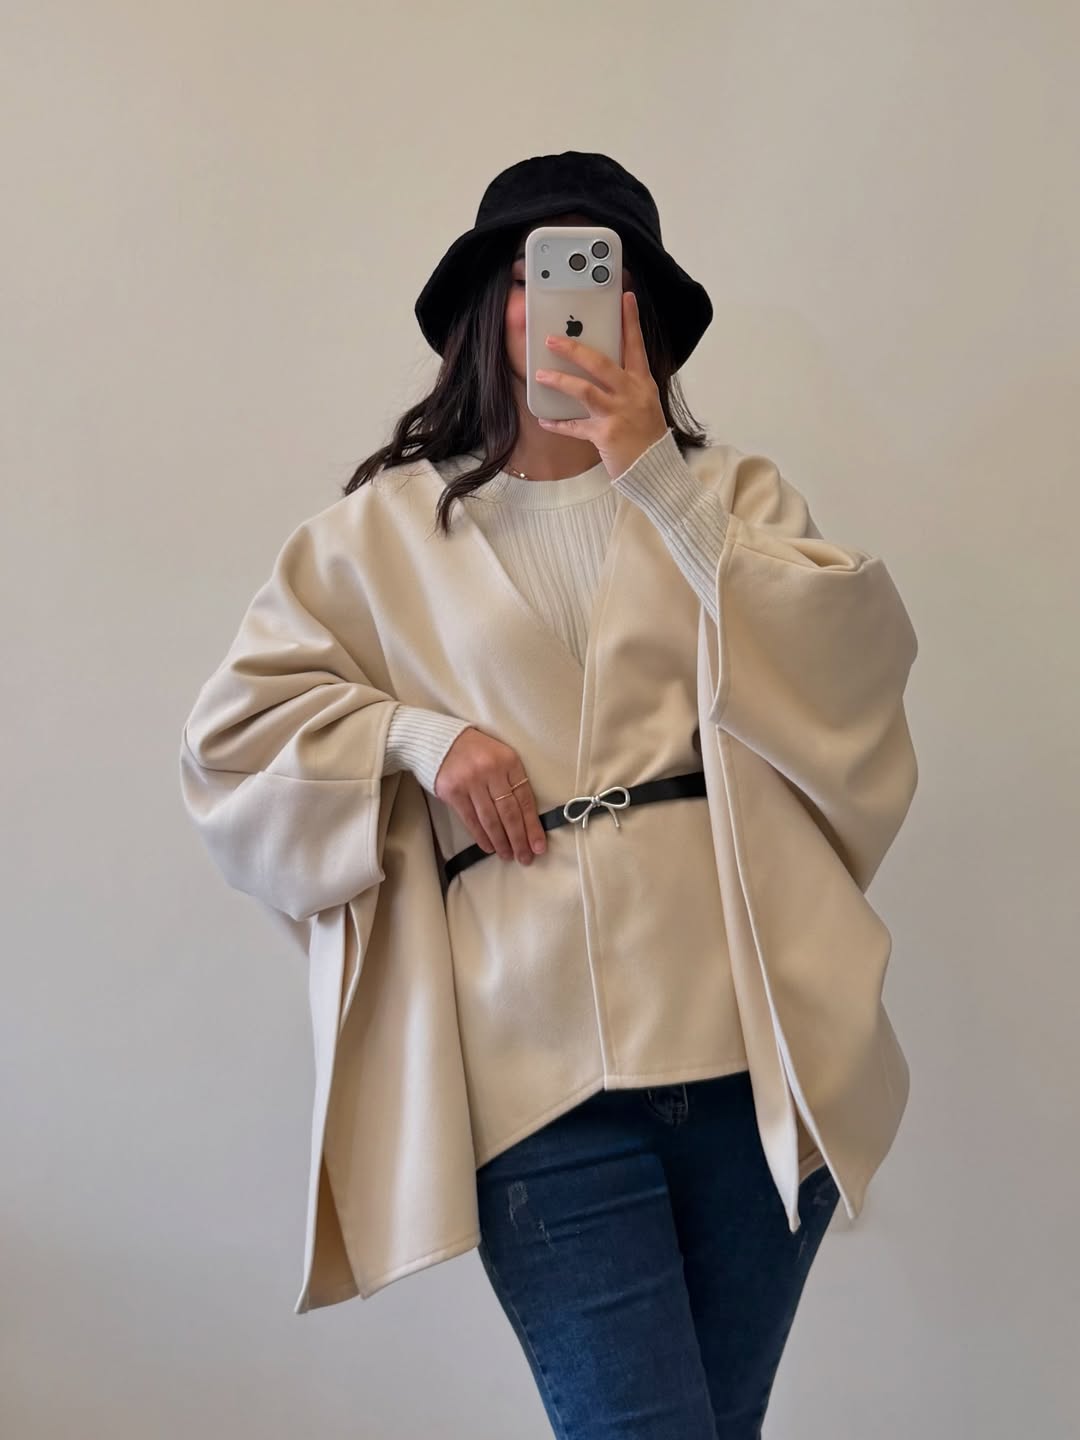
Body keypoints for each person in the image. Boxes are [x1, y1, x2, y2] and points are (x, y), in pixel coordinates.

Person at [180, 151, 919, 1438]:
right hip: (537, 1084)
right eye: (538, 273)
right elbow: (229, 744)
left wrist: (655, 479)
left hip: (752, 1064)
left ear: (644, 317)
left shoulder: (729, 496)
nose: (566, 304)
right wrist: (416, 737)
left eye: (600, 275)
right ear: (489, 305)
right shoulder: (377, 536)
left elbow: (850, 668)